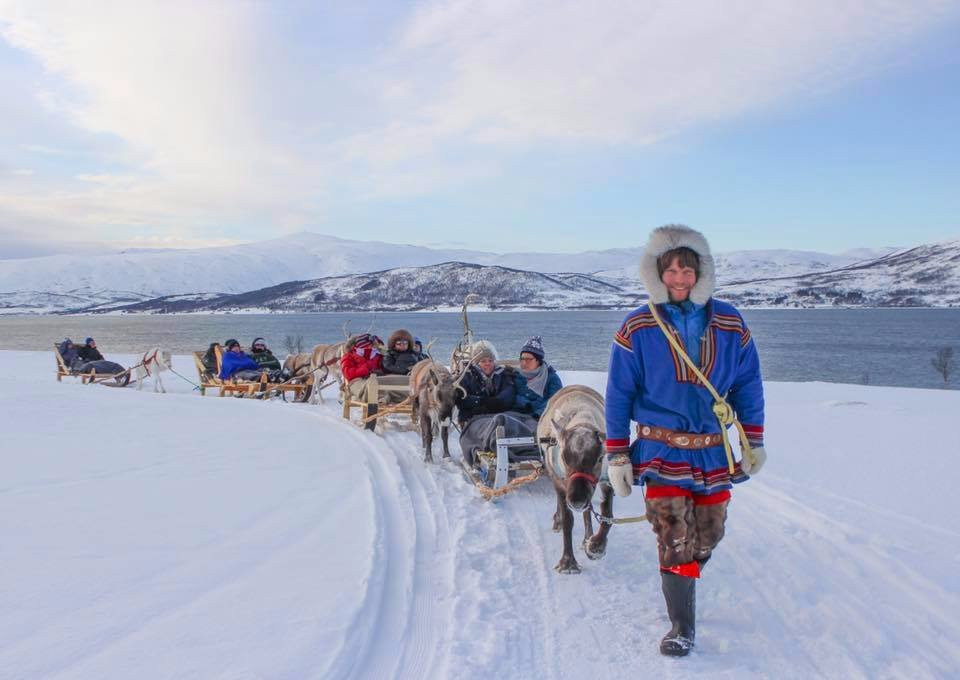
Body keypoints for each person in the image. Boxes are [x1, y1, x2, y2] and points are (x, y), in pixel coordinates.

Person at [604, 224, 767, 657]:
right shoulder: (637, 326)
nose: (679, 279)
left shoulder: (730, 322)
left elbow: (748, 383)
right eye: (671, 270)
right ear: (657, 273)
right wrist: (617, 453)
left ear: (701, 273)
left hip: (712, 448)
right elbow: (619, 393)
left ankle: (686, 576)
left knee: (709, 532)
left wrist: (753, 439)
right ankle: (681, 626)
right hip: (661, 448)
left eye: (687, 270)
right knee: (672, 534)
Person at [455, 341, 538, 466]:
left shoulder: (503, 375)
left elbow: (509, 394)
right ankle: (496, 445)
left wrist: (496, 401)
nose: (487, 364)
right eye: (483, 361)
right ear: (476, 363)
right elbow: (462, 399)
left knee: (521, 423)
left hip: (502, 413)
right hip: (476, 417)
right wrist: (483, 401)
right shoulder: (467, 377)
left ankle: (526, 445)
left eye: (490, 360)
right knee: (493, 429)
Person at [512, 336, 563, 419]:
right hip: (516, 414)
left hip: (540, 417)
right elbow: (510, 395)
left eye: (528, 359)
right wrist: (525, 404)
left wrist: (536, 413)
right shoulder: (515, 375)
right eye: (522, 359)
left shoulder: (551, 378)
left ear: (538, 360)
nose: (524, 363)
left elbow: (555, 400)